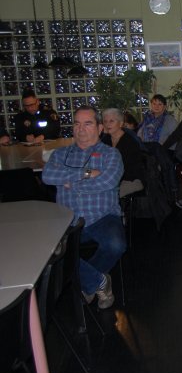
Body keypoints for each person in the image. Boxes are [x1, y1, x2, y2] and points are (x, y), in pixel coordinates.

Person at [41, 106, 124, 310]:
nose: (81, 129)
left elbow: (107, 182)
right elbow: (48, 176)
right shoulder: (60, 154)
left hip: (102, 216)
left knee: (116, 245)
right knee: (51, 251)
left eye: (87, 123)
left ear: (100, 127)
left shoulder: (111, 154)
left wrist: (70, 181)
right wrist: (87, 172)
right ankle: (99, 282)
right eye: (77, 123)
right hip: (68, 219)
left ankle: (87, 283)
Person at [101, 108, 145, 198]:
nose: (107, 124)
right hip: (110, 178)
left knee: (104, 195)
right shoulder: (105, 140)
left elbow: (128, 170)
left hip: (130, 179)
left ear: (121, 123)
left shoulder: (130, 142)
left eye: (111, 121)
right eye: (105, 121)